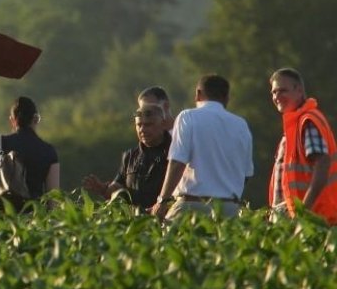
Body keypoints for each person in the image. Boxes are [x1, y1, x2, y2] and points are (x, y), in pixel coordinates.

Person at [151, 74, 253, 220]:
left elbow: (177, 162)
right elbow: (246, 174)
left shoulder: (188, 117)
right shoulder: (241, 125)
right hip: (229, 208)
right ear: (226, 98)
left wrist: (163, 200)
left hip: (193, 205)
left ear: (198, 94)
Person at [268, 67, 337, 224]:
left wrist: (302, 213)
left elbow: (322, 163)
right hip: (293, 215)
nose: (277, 96)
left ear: (298, 90)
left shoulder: (307, 121)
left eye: (282, 90)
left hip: (313, 218)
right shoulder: (294, 126)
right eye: (273, 92)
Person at [81, 101, 171, 212]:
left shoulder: (175, 153)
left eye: (148, 125)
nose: (142, 129)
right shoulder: (130, 156)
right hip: (136, 222)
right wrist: (103, 189)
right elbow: (119, 188)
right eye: (139, 125)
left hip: (166, 218)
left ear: (163, 124)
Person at [0, 96, 60, 202]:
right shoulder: (48, 151)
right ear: (36, 119)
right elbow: (53, 194)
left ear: (12, 121)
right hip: (33, 214)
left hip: (0, 212)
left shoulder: (0, 143)